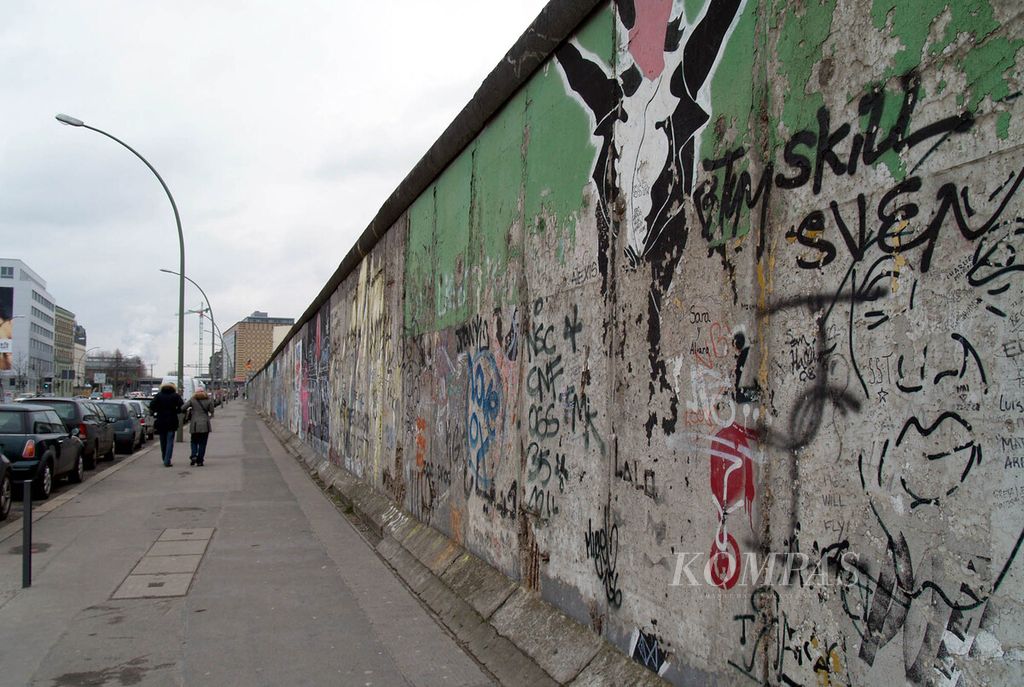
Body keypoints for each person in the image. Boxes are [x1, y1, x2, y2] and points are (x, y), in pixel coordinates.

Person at [150, 382, 184, 467]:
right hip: (172, 420)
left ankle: (164, 457)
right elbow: (182, 406)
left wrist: (158, 410)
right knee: (170, 442)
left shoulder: (159, 395)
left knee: (163, 441)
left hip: (161, 420)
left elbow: (152, 405)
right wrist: (176, 411)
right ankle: (167, 460)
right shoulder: (175, 396)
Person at [184, 388, 214, 466]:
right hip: (205, 425)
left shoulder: (193, 400)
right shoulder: (208, 400)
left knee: (194, 441)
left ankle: (194, 455)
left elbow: (183, 407)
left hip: (195, 424)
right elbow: (212, 411)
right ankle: (200, 460)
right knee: (203, 443)